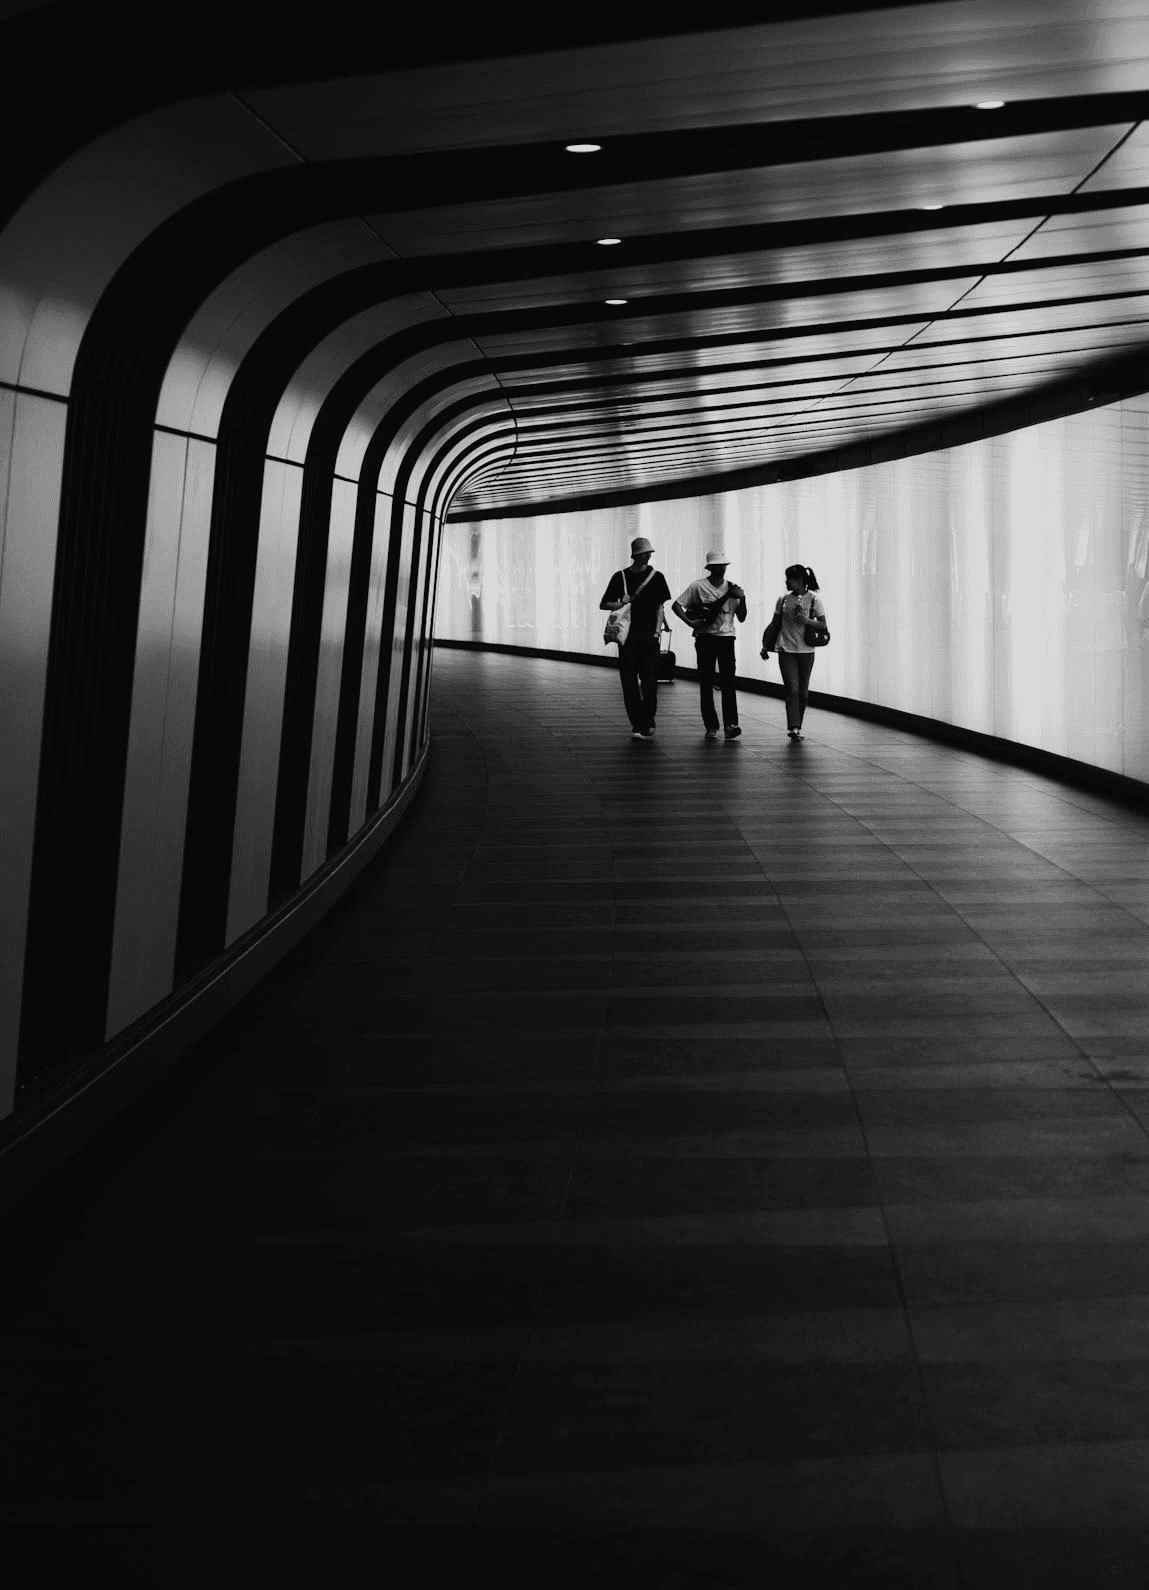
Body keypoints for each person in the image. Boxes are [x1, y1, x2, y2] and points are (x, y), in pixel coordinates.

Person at [599, 536, 672, 739]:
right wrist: (619, 603)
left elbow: (660, 608)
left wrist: (657, 632)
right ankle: (638, 723)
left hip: (649, 636)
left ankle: (647, 720)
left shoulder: (657, 577)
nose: (649, 555)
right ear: (638, 555)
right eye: (647, 553)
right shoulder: (620, 577)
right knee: (629, 681)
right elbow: (604, 603)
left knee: (649, 681)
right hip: (627, 636)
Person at [672, 550, 747, 741]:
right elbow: (677, 605)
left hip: (726, 638)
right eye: (718, 566)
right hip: (706, 638)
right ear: (711, 568)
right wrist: (691, 623)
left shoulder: (733, 589)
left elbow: (742, 617)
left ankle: (731, 724)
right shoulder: (698, 587)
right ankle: (711, 726)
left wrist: (743, 598)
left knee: (728, 682)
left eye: (723, 566)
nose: (721, 569)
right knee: (706, 682)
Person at [761, 564, 828, 742]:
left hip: (806, 650)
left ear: (799, 580)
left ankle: (798, 725)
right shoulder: (782, 600)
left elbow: (823, 626)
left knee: (803, 692)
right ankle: (794, 726)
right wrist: (766, 646)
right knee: (793, 687)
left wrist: (805, 620)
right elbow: (775, 624)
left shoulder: (815, 600)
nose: (787, 582)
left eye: (789, 579)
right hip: (786, 649)